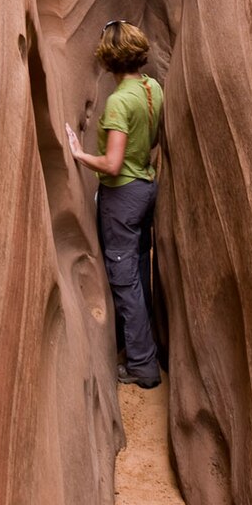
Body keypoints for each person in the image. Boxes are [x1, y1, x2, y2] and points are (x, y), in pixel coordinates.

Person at [66, 20, 164, 389]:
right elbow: (151, 140)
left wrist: (79, 153)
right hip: (145, 188)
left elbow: (111, 163)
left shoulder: (120, 101)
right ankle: (140, 344)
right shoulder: (151, 87)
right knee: (138, 270)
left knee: (125, 280)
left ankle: (142, 366)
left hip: (122, 196)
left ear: (109, 58)